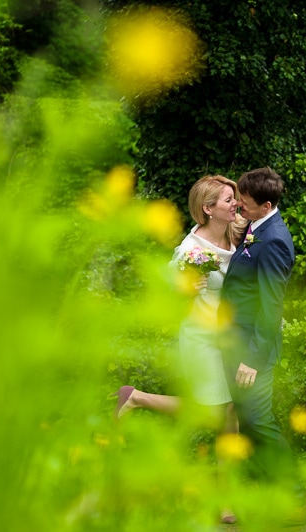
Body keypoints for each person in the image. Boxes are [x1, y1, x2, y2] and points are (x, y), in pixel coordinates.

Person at [113, 174, 245, 523]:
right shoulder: (190, 251)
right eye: (228, 199)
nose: (235, 203)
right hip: (201, 339)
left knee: (224, 413)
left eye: (234, 198)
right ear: (208, 208)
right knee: (222, 413)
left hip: (228, 337)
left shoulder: (237, 232)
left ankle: (136, 398)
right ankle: (226, 500)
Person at [218, 167, 296, 482]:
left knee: (259, 420)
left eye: (245, 202)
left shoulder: (274, 239)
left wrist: (252, 357)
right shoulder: (257, 226)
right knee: (249, 422)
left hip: (253, 347)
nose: (239, 205)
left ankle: (293, 497)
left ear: (266, 206)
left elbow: (271, 304)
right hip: (236, 340)